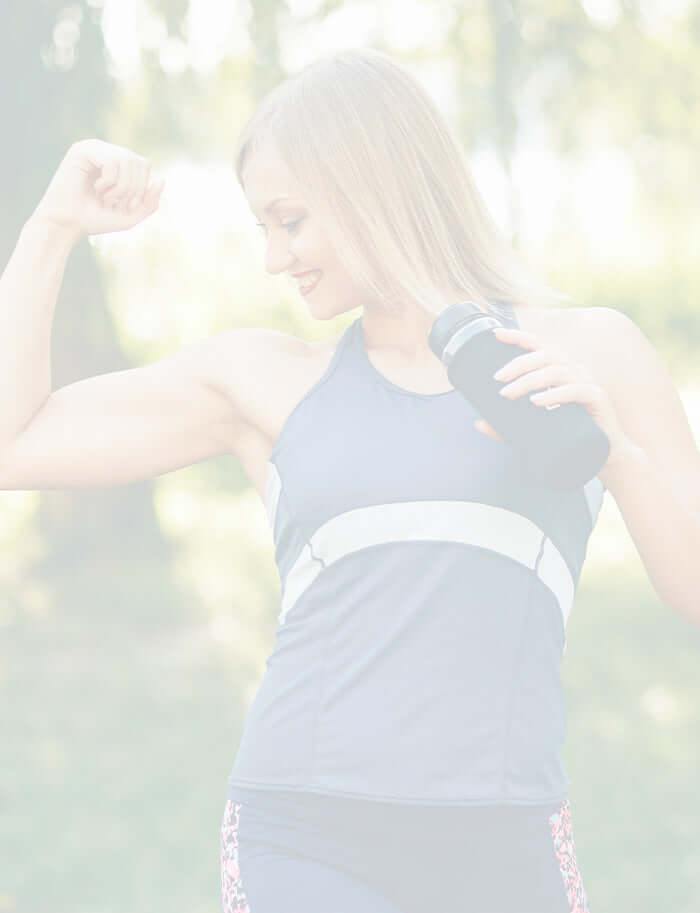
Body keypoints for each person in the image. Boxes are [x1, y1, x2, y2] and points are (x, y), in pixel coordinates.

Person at [3, 46, 699, 913]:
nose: (273, 256)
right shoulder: (263, 379)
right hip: (304, 835)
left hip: (506, 834)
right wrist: (51, 227)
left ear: (374, 186)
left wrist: (619, 456)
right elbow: (14, 441)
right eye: (263, 225)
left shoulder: (588, 350)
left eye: (290, 220)